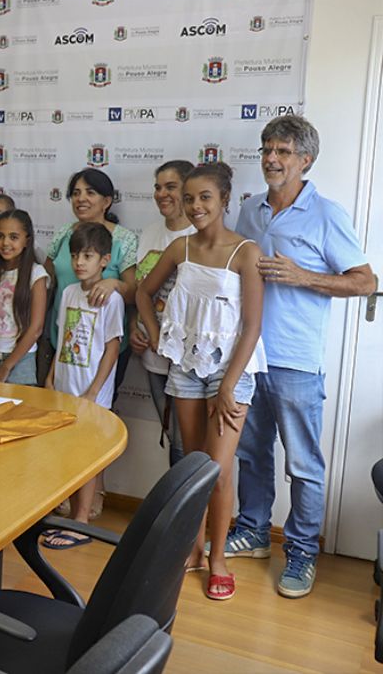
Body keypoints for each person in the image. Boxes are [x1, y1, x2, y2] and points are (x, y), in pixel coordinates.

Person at [228, 115, 375, 599]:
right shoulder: (249, 209)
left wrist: (303, 276)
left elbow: (365, 281)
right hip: (249, 356)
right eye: (267, 149)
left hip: (296, 361)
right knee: (251, 454)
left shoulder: (327, 214)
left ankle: (302, 551)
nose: (271, 158)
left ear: (305, 160)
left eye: (283, 151)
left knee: (304, 464)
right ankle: (253, 532)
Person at [137, 162, 266, 601]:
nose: (195, 206)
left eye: (205, 197)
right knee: (193, 467)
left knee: (219, 469)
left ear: (225, 199)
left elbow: (252, 326)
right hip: (187, 369)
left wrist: (228, 385)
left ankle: (218, 559)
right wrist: (159, 338)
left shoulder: (246, 252)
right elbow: (143, 292)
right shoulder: (181, 248)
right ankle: (192, 549)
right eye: (189, 198)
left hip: (233, 373)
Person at [44, 169, 137, 518]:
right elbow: (48, 284)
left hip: (94, 373)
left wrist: (95, 388)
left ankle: (85, 509)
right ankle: (68, 499)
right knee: (65, 439)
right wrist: (51, 373)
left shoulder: (122, 243)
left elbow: (114, 338)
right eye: (76, 192)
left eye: (90, 192)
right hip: (65, 367)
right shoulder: (68, 281)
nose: (82, 198)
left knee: (93, 442)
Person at [44, 222, 124, 548]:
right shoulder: (68, 293)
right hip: (65, 388)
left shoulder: (111, 299)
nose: (79, 262)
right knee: (68, 454)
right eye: (75, 255)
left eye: (87, 256)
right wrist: (51, 376)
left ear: (104, 260)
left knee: (88, 457)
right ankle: (70, 518)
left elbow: (112, 347)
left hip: (92, 393)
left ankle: (81, 523)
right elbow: (64, 338)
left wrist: (93, 391)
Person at [129, 160, 196, 467]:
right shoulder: (149, 233)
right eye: (158, 187)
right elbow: (141, 291)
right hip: (153, 355)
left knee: (187, 441)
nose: (161, 194)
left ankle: (188, 498)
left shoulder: (200, 234)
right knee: (172, 434)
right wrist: (136, 326)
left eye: (171, 187)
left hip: (186, 358)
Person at [0, 209, 48, 385]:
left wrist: (6, 367)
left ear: (26, 240)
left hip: (21, 361)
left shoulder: (36, 274)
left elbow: (36, 328)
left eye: (13, 237)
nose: (5, 243)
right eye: (0, 236)